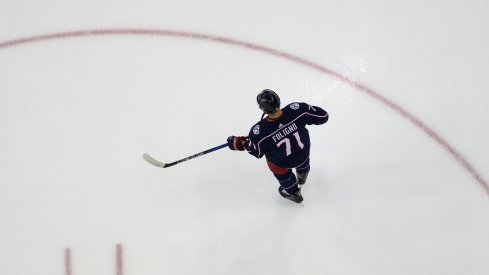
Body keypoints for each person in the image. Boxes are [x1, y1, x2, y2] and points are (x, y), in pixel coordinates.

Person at [227, 89, 329, 203]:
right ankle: (302, 174)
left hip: (281, 163)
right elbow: (323, 116)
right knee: (302, 158)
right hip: (303, 153)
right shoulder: (298, 110)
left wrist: (238, 143)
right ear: (278, 101)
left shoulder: (259, 132)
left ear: (263, 109)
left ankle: (293, 192)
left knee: (282, 174)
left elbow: (256, 151)